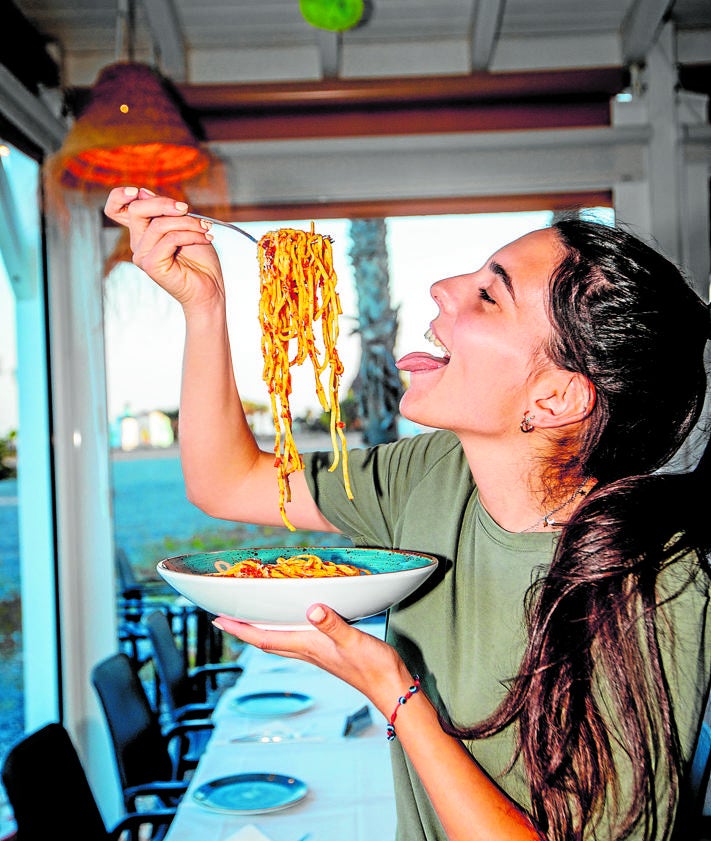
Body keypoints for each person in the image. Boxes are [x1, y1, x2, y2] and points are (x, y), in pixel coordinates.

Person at [105, 186, 711, 841]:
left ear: (555, 396)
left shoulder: (653, 581)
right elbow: (230, 483)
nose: (442, 287)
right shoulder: (432, 472)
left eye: (489, 294)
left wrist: (393, 689)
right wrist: (204, 305)